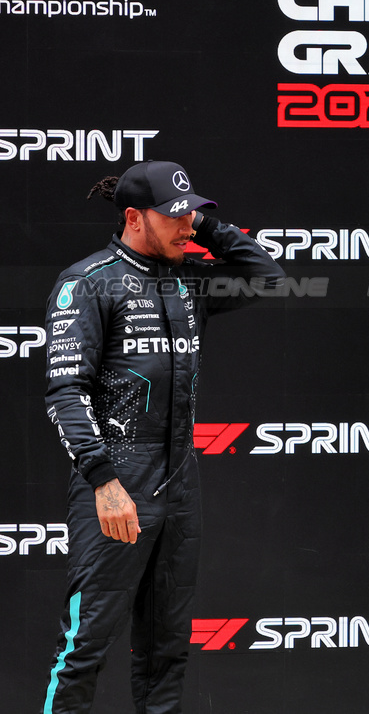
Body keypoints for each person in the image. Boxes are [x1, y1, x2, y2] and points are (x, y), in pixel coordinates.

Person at [42, 160, 285, 713]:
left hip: (179, 482)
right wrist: (103, 481)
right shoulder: (88, 282)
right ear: (133, 217)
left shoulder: (187, 280)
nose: (187, 224)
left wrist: (196, 227)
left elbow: (267, 276)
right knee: (84, 646)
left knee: (166, 650)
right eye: (175, 215)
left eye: (193, 214)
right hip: (116, 479)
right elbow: (64, 393)